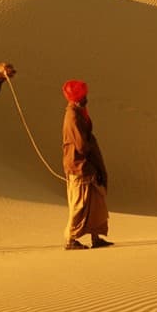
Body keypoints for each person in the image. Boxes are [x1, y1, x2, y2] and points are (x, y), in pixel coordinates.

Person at [61, 79, 113, 250]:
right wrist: (92, 147)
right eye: (84, 96)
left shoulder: (79, 111)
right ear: (77, 98)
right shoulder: (73, 116)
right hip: (79, 166)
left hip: (87, 165)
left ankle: (96, 237)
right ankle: (70, 239)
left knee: (96, 202)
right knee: (79, 203)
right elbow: (81, 145)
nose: (86, 99)